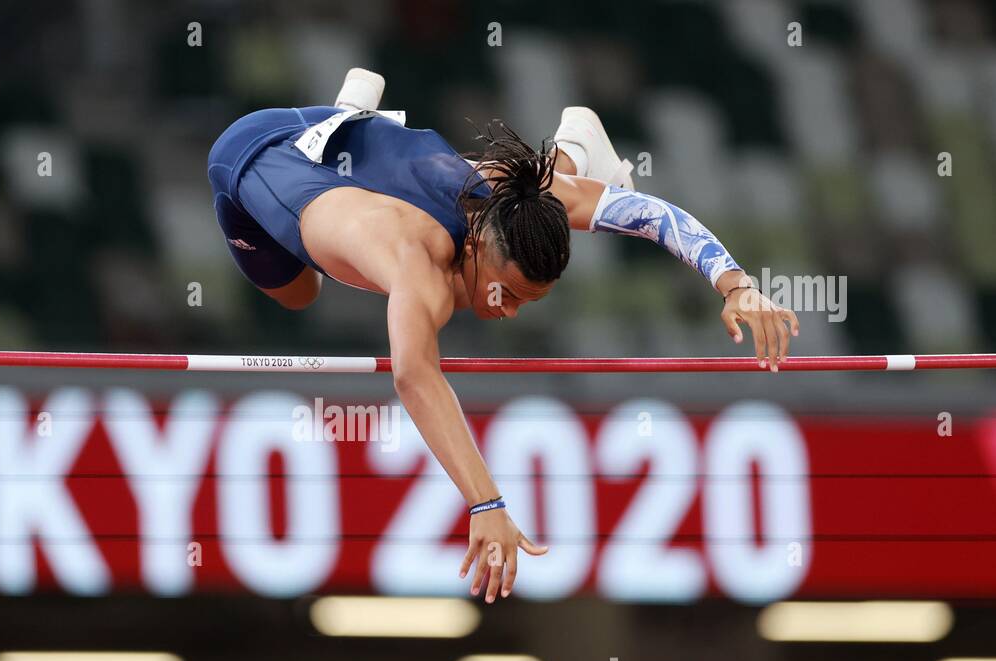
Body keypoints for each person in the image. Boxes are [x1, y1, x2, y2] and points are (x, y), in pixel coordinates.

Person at [207, 70, 798, 604]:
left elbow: (653, 216)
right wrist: (485, 502)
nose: (510, 313)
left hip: (350, 157)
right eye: (508, 293)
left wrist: (736, 283)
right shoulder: (415, 260)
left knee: (481, 255)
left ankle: (567, 153)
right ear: (478, 245)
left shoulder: (520, 197)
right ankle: (346, 130)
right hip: (246, 160)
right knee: (300, 294)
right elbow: (414, 375)